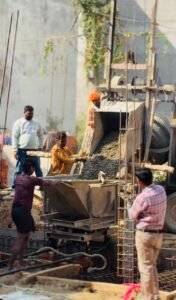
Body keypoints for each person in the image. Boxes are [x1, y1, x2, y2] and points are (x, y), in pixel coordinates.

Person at [8, 159, 61, 271]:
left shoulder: (18, 178)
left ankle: (21, 262)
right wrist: (59, 181)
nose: (34, 170)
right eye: (33, 168)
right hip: (23, 212)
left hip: (16, 210)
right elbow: (48, 182)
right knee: (20, 239)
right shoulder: (31, 180)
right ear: (31, 168)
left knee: (25, 237)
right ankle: (10, 265)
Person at [128, 168, 167, 300]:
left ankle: (147, 297)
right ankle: (155, 295)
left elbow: (132, 215)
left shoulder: (142, 197)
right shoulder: (161, 190)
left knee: (145, 268)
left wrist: (130, 202)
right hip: (158, 235)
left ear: (139, 181)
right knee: (152, 265)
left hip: (145, 235)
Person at [12, 105, 43, 187]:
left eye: (32, 113)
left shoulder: (37, 123)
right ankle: (14, 187)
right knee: (19, 169)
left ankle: (42, 187)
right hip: (22, 150)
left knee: (38, 169)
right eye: (29, 113)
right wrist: (15, 150)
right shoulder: (19, 123)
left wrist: (40, 146)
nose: (30, 115)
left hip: (35, 151)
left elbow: (40, 135)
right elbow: (15, 136)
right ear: (24, 113)